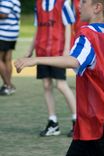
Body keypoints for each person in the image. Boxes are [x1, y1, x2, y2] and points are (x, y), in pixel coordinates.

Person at [15, 0, 104, 156]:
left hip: (101, 122)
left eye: (84, 2)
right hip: (94, 124)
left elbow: (74, 60)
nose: (78, 5)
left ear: (97, 7)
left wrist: (36, 60)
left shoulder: (86, 35)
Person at [23, 0, 76, 137]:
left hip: (57, 52)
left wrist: (66, 49)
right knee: (46, 85)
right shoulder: (38, 4)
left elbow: (69, 26)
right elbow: (38, 29)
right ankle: (53, 123)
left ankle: (77, 120)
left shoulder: (63, 3)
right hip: (41, 52)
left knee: (61, 85)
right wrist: (30, 50)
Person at [0, 0, 21, 95]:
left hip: (3, 33)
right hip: (12, 33)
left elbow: (3, 15)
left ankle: (8, 85)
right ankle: (7, 86)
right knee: (7, 60)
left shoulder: (7, 0)